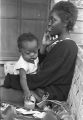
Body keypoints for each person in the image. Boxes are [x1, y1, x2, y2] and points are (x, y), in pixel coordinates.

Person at [1, 1, 78, 103]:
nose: (49, 23)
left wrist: (8, 80)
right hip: (40, 88)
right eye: (49, 19)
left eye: (53, 20)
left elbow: (41, 78)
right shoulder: (58, 43)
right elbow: (39, 65)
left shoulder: (67, 46)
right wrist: (44, 46)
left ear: (65, 22)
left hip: (45, 94)